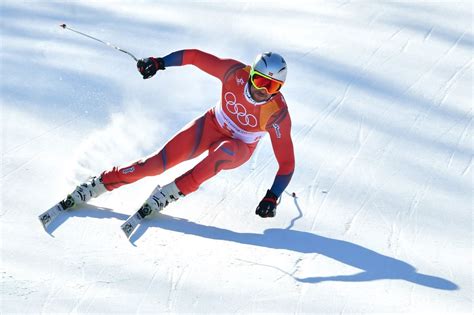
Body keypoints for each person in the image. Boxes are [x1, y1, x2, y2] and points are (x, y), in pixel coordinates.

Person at [67, 49, 295, 219]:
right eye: (260, 80)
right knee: (154, 164)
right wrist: (160, 63)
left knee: (223, 151)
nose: (263, 90)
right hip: (211, 125)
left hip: (239, 146)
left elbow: (286, 164)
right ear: (251, 74)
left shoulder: (277, 114)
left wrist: (272, 196)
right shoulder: (234, 73)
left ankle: (172, 192)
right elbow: (194, 57)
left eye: (272, 87)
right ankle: (99, 183)